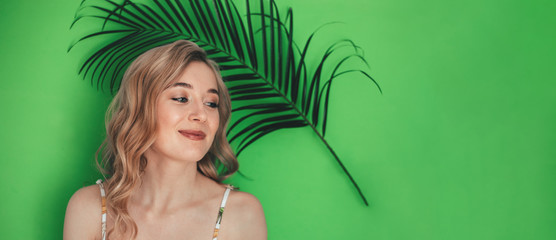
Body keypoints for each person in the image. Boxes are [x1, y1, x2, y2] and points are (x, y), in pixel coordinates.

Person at [63, 40, 267, 240]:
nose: (201, 115)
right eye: (181, 98)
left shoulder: (241, 214)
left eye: (211, 103)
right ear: (140, 109)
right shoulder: (90, 209)